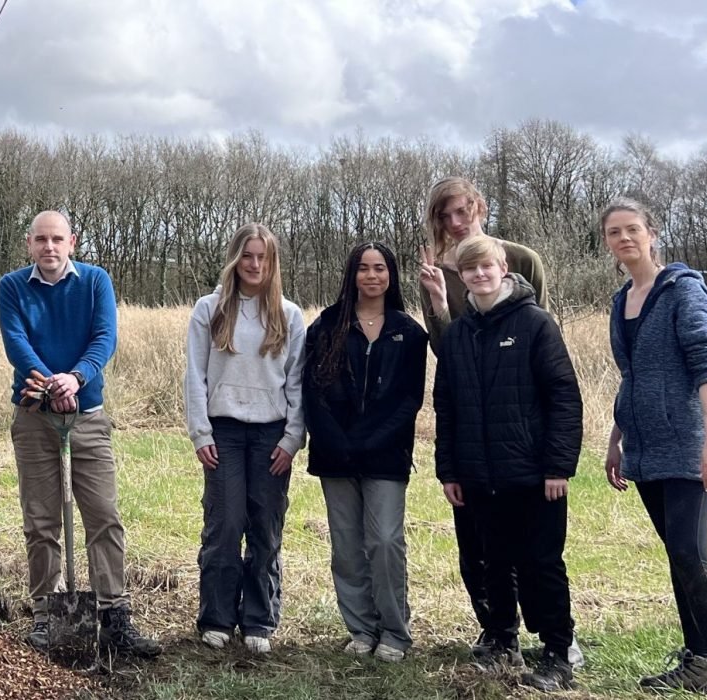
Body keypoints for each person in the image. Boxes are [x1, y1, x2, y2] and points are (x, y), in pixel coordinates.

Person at [411, 176, 581, 667]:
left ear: (503, 267)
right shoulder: (456, 319)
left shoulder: (533, 311)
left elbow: (559, 389)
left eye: (462, 211)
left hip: (526, 460)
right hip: (476, 463)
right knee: (486, 558)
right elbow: (448, 394)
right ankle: (500, 637)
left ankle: (557, 646)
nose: (455, 222)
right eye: (445, 216)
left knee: (538, 560)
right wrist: (449, 470)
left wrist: (557, 465)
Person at [600, 199, 707, 699]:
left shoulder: (685, 291)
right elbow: (631, 377)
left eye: (633, 230)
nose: (625, 239)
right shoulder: (622, 300)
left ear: (652, 234)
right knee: (677, 556)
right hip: (643, 446)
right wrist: (617, 439)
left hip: (687, 444)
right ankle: (698, 663)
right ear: (607, 243)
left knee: (691, 553)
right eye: (615, 232)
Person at [0, 210, 161, 658]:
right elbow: (17, 343)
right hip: (34, 418)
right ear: (29, 244)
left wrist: (77, 378)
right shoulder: (12, 287)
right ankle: (48, 613)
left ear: (73, 242)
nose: (49, 248)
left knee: (104, 515)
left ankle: (114, 616)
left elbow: (104, 337)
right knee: (42, 520)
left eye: (57, 240)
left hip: (87, 417)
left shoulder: (95, 281)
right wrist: (52, 384)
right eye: (40, 240)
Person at [181, 223, 306, 654]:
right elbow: (194, 377)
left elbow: (297, 384)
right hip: (224, 432)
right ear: (236, 259)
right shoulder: (209, 309)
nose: (255, 265)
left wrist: (293, 438)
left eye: (263, 258)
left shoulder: (289, 315)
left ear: (272, 264)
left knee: (265, 526)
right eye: (248, 256)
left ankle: (258, 620)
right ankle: (216, 617)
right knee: (225, 522)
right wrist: (200, 432)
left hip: (272, 434)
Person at [301, 242, 427, 662]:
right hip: (334, 453)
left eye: (380, 269)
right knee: (347, 546)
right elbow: (312, 392)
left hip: (386, 455)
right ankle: (361, 628)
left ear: (391, 275)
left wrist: (370, 440)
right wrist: (337, 440)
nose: (372, 276)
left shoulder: (409, 333)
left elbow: (410, 399)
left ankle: (394, 631)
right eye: (363, 268)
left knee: (386, 541)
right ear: (351, 274)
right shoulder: (325, 326)